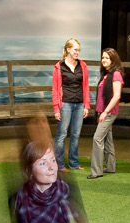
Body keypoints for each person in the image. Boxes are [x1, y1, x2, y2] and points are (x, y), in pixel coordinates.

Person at [51, 38, 90, 173]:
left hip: (79, 104)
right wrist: (56, 108)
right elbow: (55, 89)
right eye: (75, 50)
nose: (77, 53)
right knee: (61, 134)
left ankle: (74, 163)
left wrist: (86, 105)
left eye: (79, 50)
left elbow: (85, 86)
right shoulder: (59, 67)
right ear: (68, 49)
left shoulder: (83, 66)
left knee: (75, 134)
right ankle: (59, 165)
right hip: (65, 104)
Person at [87, 48, 123, 180]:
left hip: (109, 112)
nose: (104, 60)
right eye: (103, 57)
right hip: (102, 111)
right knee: (108, 139)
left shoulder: (116, 74)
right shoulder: (105, 74)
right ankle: (110, 167)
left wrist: (105, 112)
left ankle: (96, 171)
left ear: (113, 59)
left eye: (107, 58)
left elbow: (117, 96)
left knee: (97, 138)